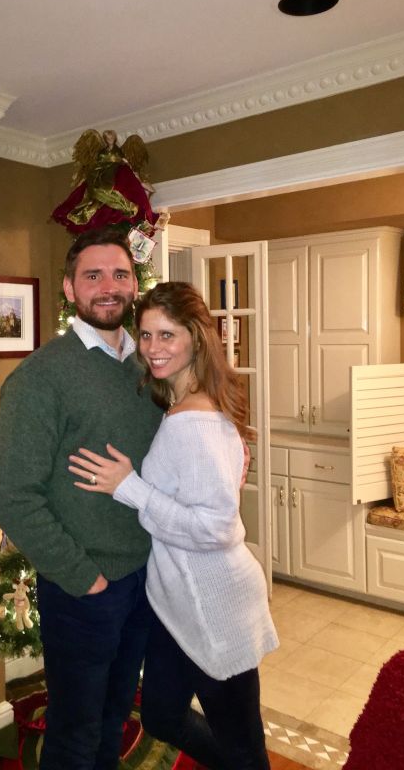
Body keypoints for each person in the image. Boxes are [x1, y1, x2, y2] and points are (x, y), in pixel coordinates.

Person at [69, 281, 279, 770]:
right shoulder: (180, 405)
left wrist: (130, 488)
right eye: (145, 335)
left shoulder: (195, 423)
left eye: (167, 335)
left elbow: (216, 528)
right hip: (177, 606)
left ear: (195, 339)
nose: (152, 348)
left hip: (216, 605)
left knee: (243, 747)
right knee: (163, 716)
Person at [0, 228, 163, 770]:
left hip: (146, 578)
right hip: (85, 588)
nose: (109, 286)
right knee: (75, 735)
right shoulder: (40, 378)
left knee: (115, 718)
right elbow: (11, 496)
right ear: (69, 288)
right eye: (93, 275)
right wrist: (84, 578)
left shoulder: (150, 366)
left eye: (120, 274)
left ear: (134, 284)